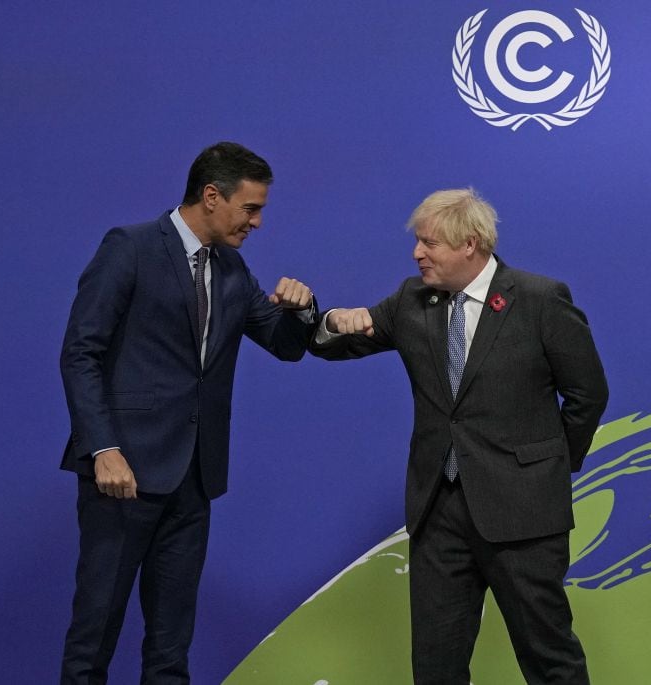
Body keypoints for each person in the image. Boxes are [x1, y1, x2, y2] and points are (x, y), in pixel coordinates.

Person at [311, 188, 608, 684]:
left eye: (429, 243)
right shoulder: (411, 300)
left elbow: (588, 395)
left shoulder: (540, 300)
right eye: (418, 242)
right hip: (439, 512)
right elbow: (334, 345)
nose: (417, 253)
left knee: (549, 658)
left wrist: (546, 468)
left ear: (470, 244)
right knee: (435, 667)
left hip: (524, 514)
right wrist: (328, 320)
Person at [58, 142, 316, 683]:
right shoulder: (128, 247)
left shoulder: (232, 267)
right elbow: (81, 353)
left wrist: (301, 312)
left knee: (172, 646)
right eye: (250, 209)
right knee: (93, 639)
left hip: (193, 480)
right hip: (122, 477)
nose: (259, 222)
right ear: (211, 196)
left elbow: (285, 343)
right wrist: (103, 449)